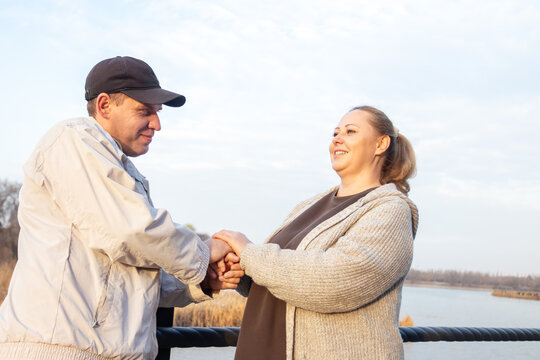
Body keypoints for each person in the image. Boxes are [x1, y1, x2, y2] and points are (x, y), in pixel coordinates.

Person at [0, 56, 242, 360]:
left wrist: (202, 279)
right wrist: (204, 252)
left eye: (157, 112)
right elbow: (130, 231)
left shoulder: (121, 174)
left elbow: (132, 273)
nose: (157, 123)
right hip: (59, 350)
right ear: (104, 106)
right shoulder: (72, 139)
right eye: (145, 111)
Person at [214, 105, 419, 360]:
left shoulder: (391, 209)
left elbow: (339, 280)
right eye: (335, 133)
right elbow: (283, 276)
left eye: (350, 131)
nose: (337, 139)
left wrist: (249, 253)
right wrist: (242, 273)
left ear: (381, 144)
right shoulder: (309, 205)